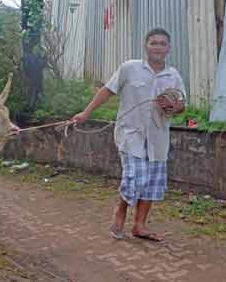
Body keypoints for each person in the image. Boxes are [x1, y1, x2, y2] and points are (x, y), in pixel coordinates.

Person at [71, 28, 186, 242]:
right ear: (146, 46)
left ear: (169, 48)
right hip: (130, 134)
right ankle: (120, 211)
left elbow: (181, 106)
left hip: (158, 138)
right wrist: (86, 113)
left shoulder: (174, 76)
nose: (158, 47)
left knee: (152, 183)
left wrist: (172, 106)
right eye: (153, 43)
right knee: (135, 177)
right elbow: (107, 90)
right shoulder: (129, 68)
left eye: (162, 43)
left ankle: (140, 226)